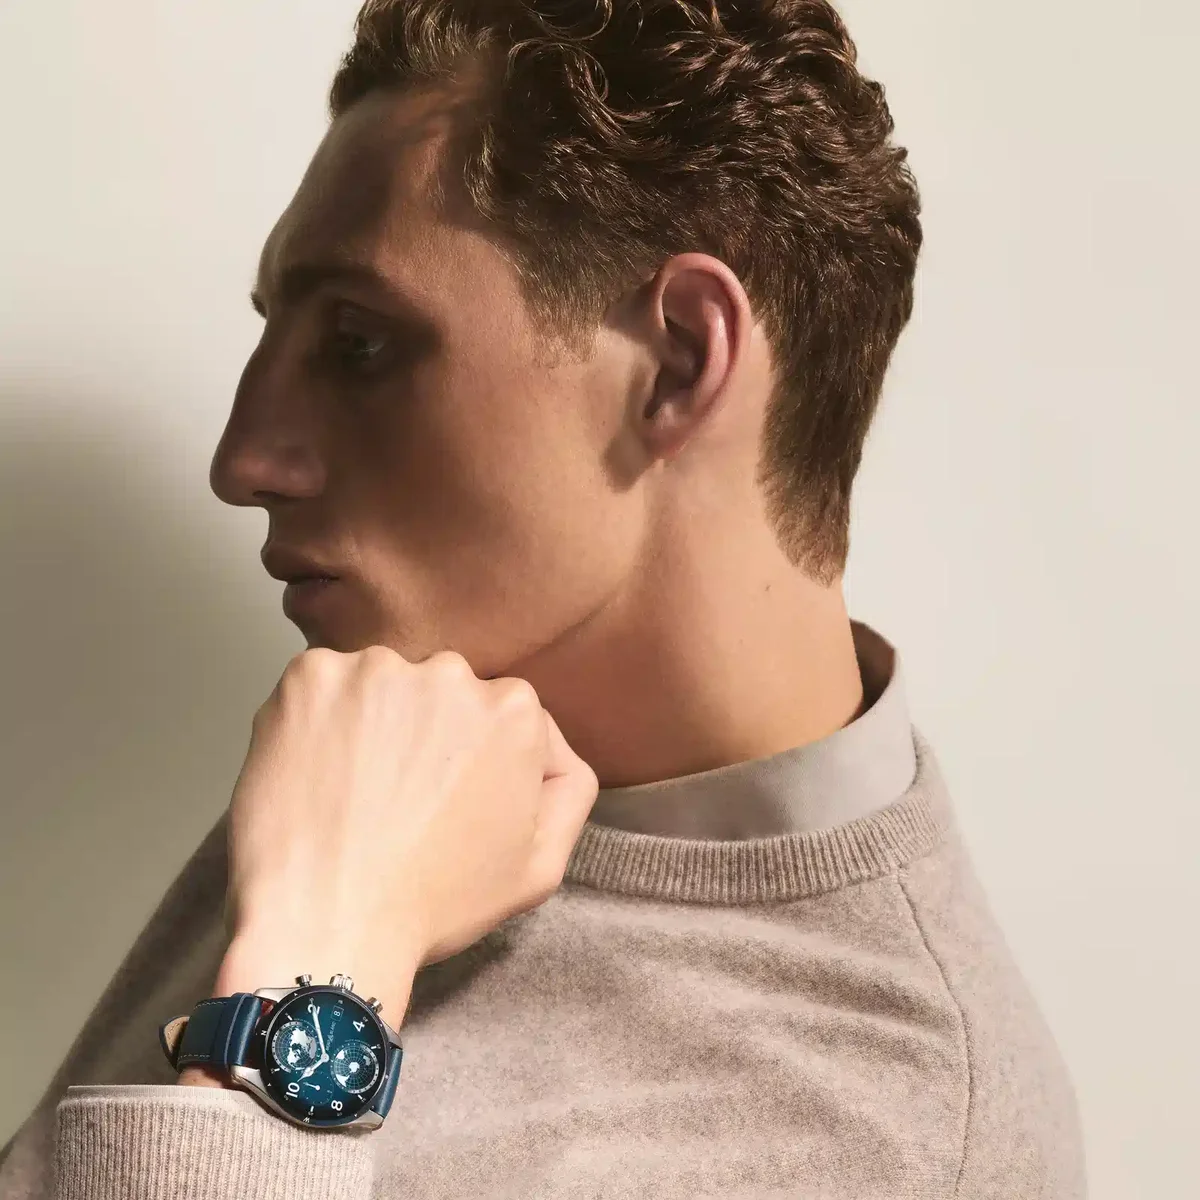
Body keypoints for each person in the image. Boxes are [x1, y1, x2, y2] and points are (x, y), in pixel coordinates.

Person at [0, 2, 1087, 1197]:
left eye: (359, 345)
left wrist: (316, 967)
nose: (244, 460)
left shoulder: (898, 1137)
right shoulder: (389, 752)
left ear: (679, 361)